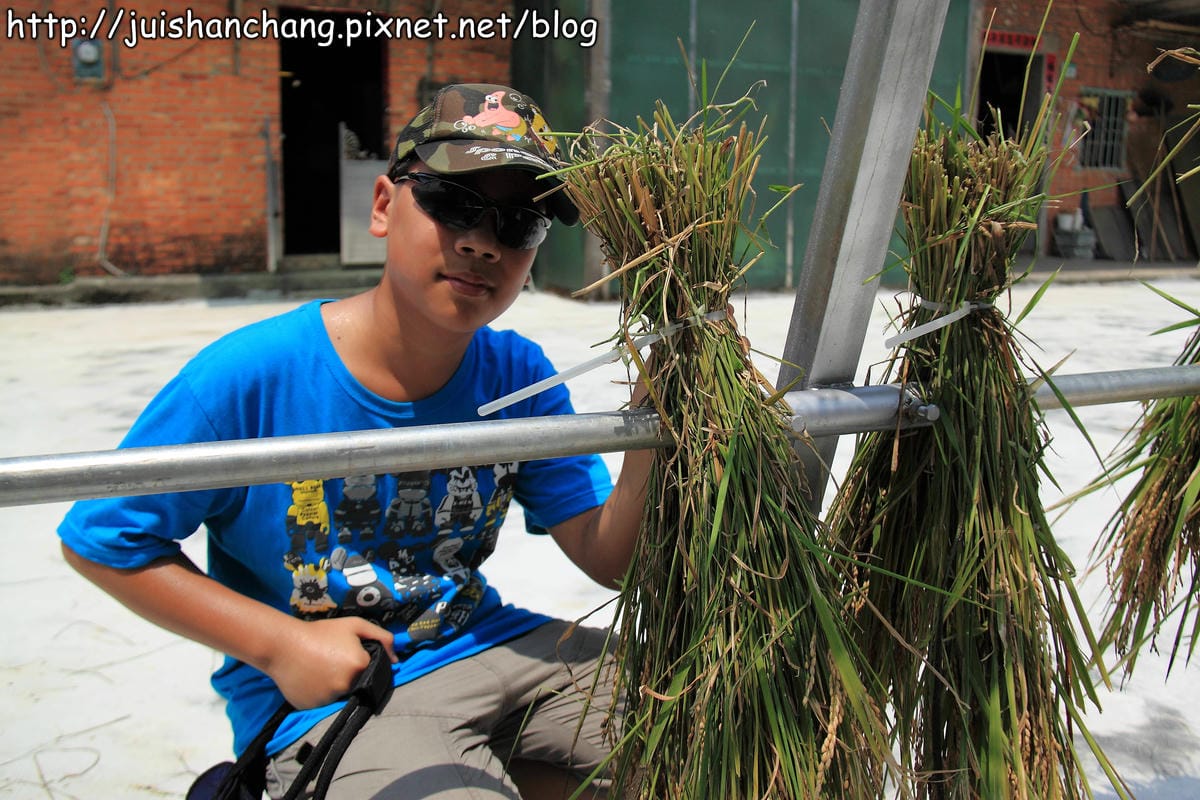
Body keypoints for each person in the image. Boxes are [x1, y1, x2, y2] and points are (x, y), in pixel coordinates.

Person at [57, 83, 651, 799]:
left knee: (707, 722)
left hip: (488, 640)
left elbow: (606, 554)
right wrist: (282, 644)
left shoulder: (518, 375)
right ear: (382, 206)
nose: (480, 241)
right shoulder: (251, 376)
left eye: (518, 225)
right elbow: (100, 538)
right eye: (454, 203)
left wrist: (653, 427)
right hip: (338, 698)